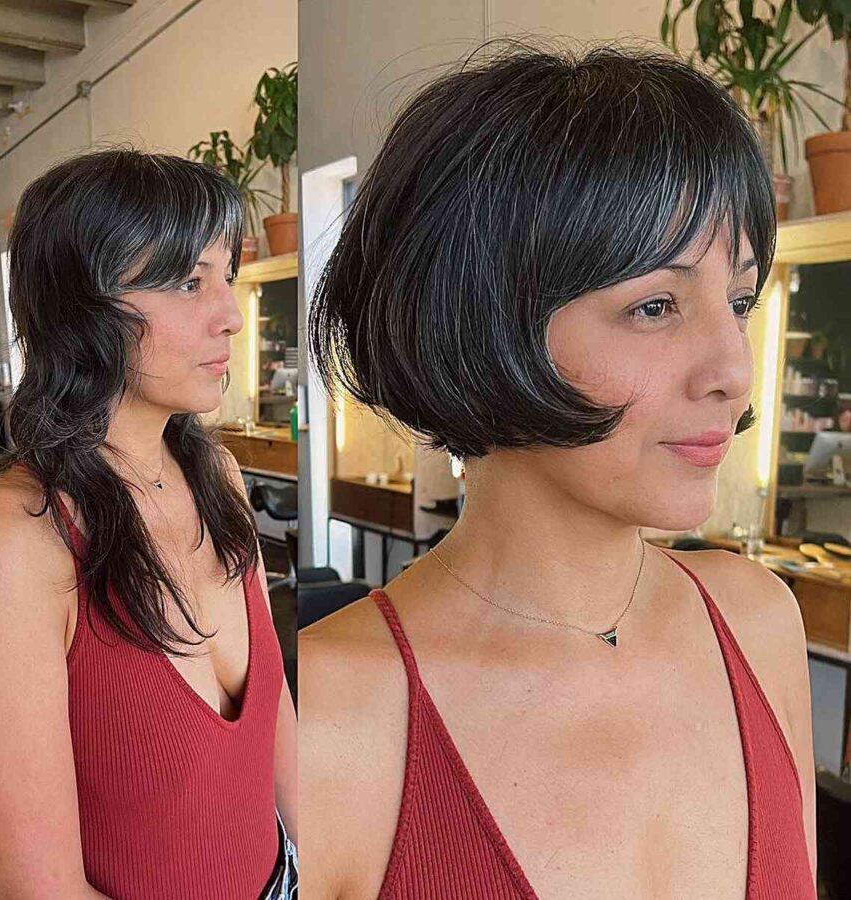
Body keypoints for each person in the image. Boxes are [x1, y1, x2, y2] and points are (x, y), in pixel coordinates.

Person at [301, 43, 816, 899]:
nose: (733, 368)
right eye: (655, 306)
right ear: (480, 326)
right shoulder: (333, 715)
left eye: (738, 302)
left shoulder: (759, 622)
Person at [0, 149, 297, 899]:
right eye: (188, 281)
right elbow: (39, 892)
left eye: (226, 276)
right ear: (82, 305)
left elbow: (276, 729)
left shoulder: (218, 479)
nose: (232, 315)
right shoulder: (7, 543)